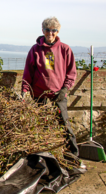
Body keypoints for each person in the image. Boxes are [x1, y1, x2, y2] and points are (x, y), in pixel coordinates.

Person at [21, 17, 78, 156]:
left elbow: (71, 73)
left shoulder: (65, 49)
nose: (50, 33)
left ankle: (73, 155)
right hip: (39, 95)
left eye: (54, 30)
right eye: (47, 30)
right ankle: (43, 156)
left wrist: (64, 90)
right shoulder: (35, 50)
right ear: (43, 30)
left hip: (58, 95)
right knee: (40, 126)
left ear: (58, 32)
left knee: (64, 125)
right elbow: (28, 72)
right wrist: (24, 90)